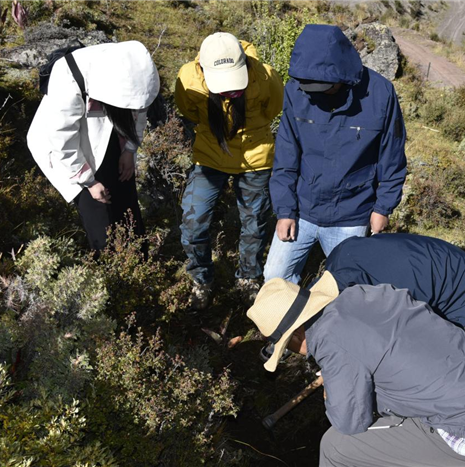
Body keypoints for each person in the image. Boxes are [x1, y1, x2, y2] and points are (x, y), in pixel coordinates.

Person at [247, 277, 465, 467]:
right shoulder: (358, 295)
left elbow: (350, 423)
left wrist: (334, 391)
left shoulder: (331, 344)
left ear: (295, 335)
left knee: (335, 447)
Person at [263, 24, 407, 285]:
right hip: (302, 208)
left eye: (322, 87)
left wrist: (383, 208)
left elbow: (392, 157)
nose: (313, 94)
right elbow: (285, 156)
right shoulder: (296, 90)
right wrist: (284, 211)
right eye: (309, 87)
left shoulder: (380, 93)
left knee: (347, 286)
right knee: (275, 277)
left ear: (342, 74)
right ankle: (297, 311)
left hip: (352, 213)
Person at [175, 32, 283, 308]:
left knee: (255, 222)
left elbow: (273, 109)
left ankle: (248, 277)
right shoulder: (188, 77)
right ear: (203, 69)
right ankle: (201, 280)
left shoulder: (266, 76)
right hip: (210, 157)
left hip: (255, 158)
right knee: (193, 222)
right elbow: (189, 111)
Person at [27, 41, 160, 252]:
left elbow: (139, 112)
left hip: (110, 131)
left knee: (126, 201)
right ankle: (107, 263)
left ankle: (139, 260)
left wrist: (129, 150)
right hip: (64, 148)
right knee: (98, 213)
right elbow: (62, 138)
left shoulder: (135, 71)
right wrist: (88, 181)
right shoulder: (69, 75)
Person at [325, 233, 465, 338]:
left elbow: (400, 336)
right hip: (439, 270)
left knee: (437, 362)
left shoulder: (396, 294)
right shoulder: (340, 255)